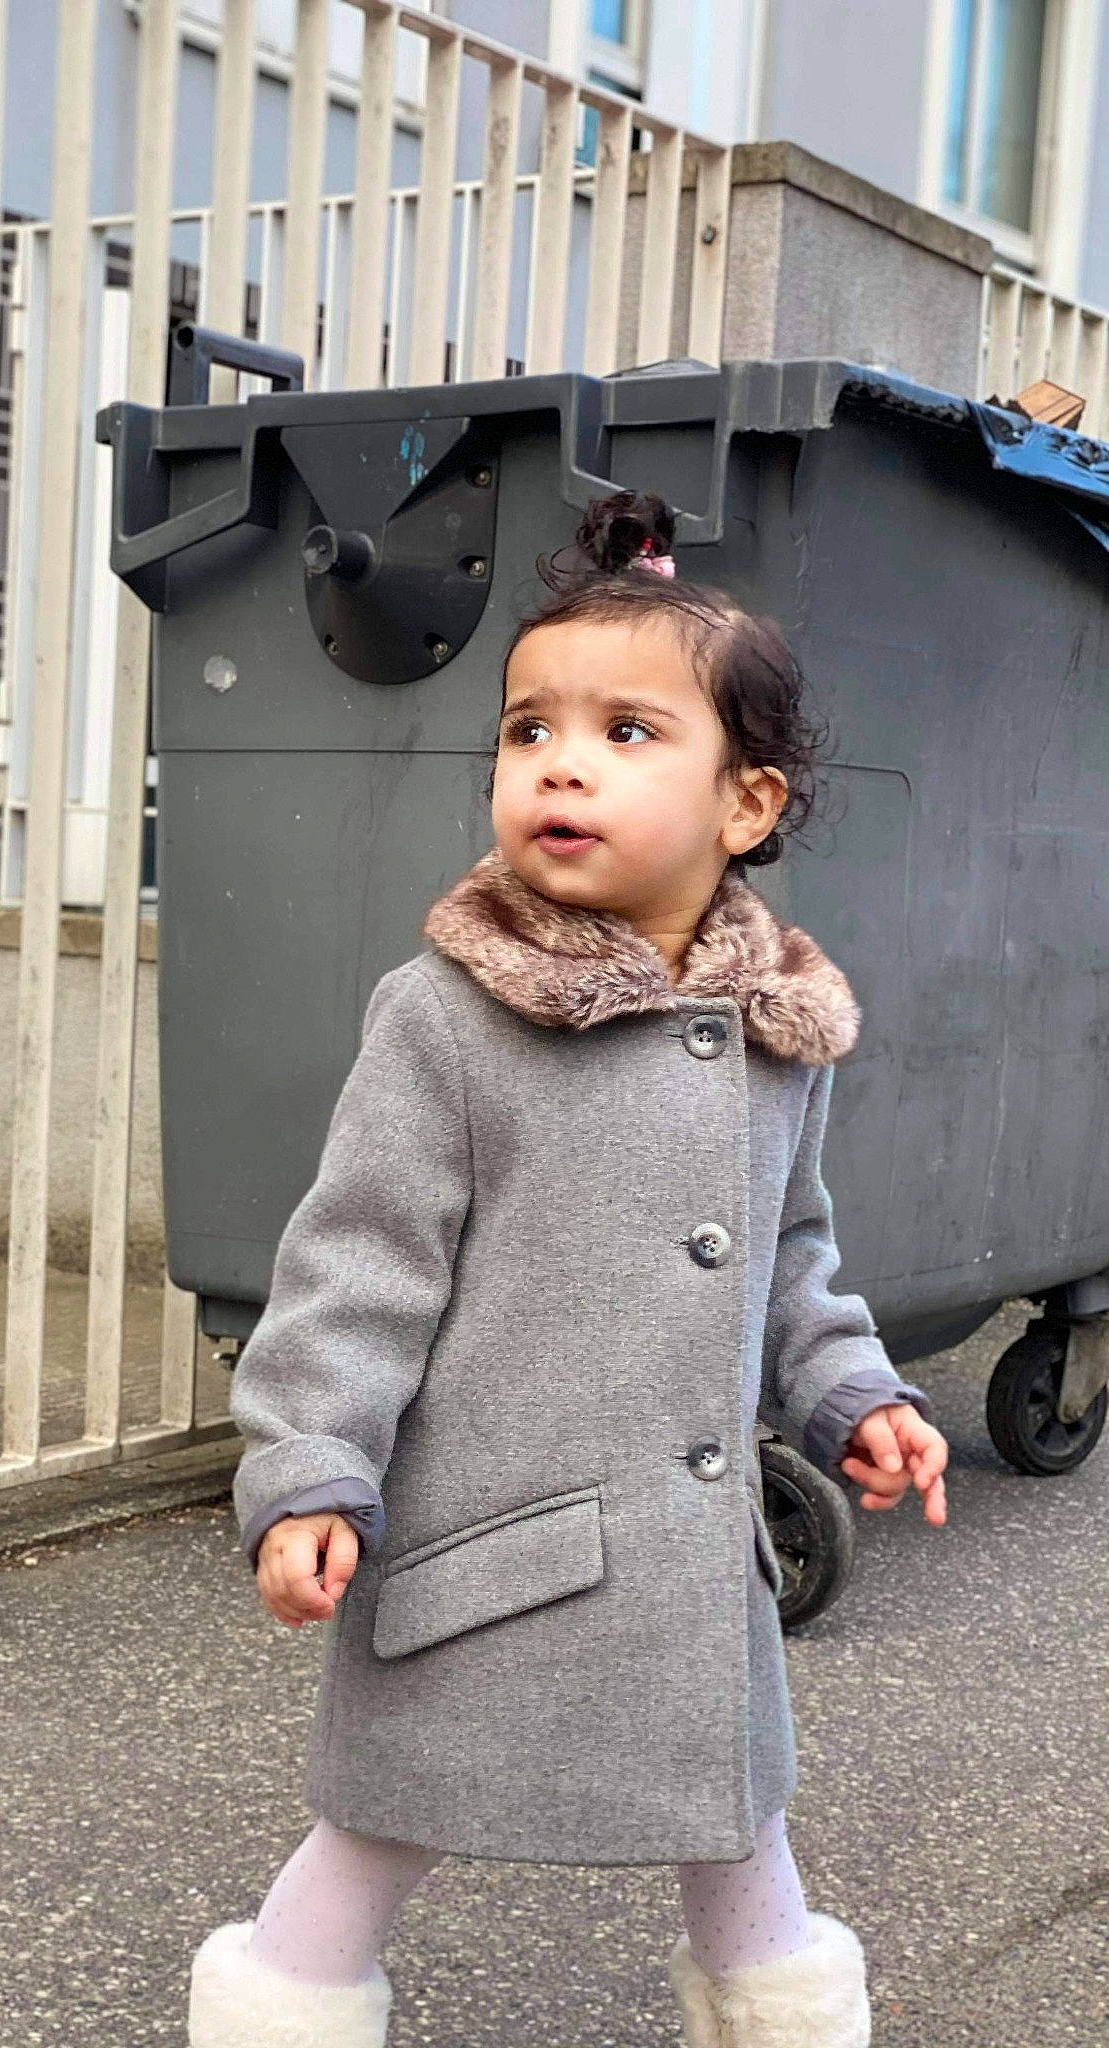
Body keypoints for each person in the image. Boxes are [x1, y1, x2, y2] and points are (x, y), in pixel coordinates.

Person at [186, 490, 950, 2048]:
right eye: (529, 728)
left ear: (748, 804)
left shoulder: (778, 1031)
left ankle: (781, 2019)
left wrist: (849, 1391)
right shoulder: (450, 1015)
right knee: (386, 1815)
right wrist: (315, 1469)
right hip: (492, 1532)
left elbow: (793, 1250)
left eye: (624, 731)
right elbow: (356, 1263)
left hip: (690, 1557)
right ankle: (283, 2013)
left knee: (736, 1810)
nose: (562, 762)